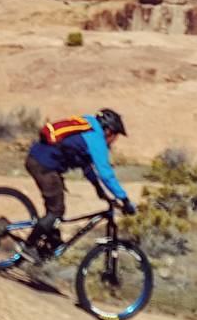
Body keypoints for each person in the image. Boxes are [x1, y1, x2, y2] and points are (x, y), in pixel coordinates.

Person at [22, 107, 136, 264]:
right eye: (115, 136)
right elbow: (105, 173)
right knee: (56, 211)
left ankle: (49, 244)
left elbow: (86, 165)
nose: (114, 141)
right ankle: (28, 247)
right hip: (44, 166)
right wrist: (124, 199)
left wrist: (99, 190)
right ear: (109, 131)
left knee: (56, 209)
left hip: (40, 161)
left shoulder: (87, 128)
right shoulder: (96, 138)